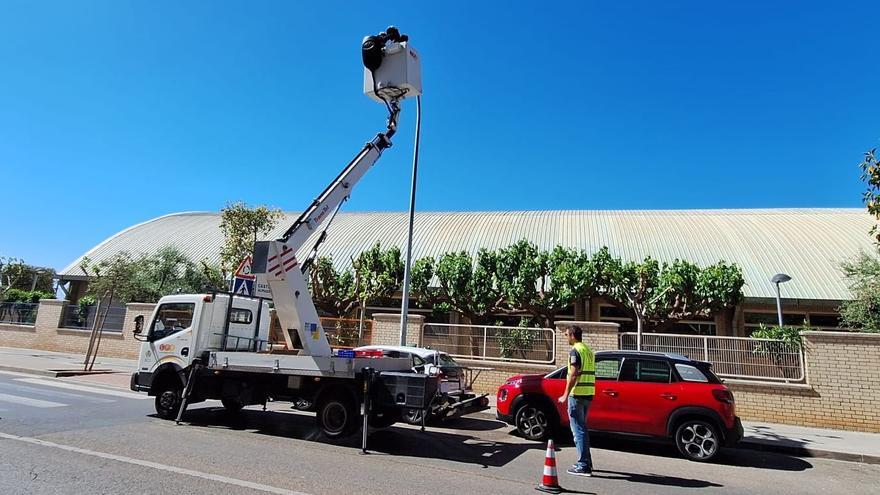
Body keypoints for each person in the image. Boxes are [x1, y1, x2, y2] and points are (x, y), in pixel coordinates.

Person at [558, 325, 595, 477]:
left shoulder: (575, 351)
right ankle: (586, 461)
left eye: (566, 334)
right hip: (588, 393)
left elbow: (573, 374)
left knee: (578, 430)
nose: (566, 337)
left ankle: (583, 465)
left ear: (573, 335)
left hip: (577, 394)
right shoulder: (587, 350)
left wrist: (565, 394)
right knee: (582, 428)